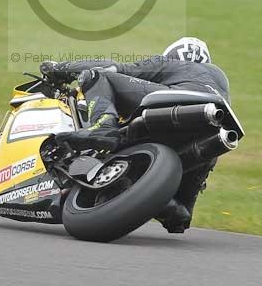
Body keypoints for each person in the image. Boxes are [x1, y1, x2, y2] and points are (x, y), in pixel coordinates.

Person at [40, 37, 230, 233]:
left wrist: (59, 68)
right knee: (185, 202)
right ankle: (175, 209)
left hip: (177, 105)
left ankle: (103, 126)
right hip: (211, 132)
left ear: (172, 54)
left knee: (97, 76)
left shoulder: (171, 63)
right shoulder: (219, 78)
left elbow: (114, 68)